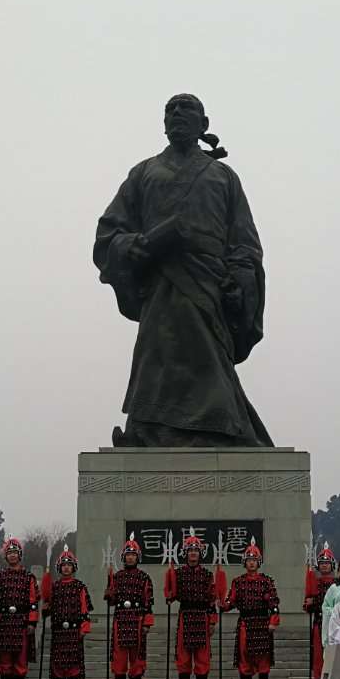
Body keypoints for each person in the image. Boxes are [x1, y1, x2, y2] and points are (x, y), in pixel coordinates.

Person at [94, 92, 270, 447]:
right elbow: (108, 234)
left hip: (209, 287)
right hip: (162, 286)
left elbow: (245, 241)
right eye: (170, 109)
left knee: (210, 360)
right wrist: (139, 245)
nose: (177, 113)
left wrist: (242, 277)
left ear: (204, 124)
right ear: (163, 124)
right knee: (158, 360)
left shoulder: (223, 177)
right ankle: (147, 432)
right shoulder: (143, 173)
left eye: (186, 108)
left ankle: (220, 431)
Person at [165, 532, 219, 679]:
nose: (193, 553)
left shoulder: (207, 575)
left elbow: (212, 598)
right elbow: (172, 595)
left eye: (196, 551)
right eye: (190, 551)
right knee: (183, 657)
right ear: (186, 553)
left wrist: (213, 621)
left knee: (202, 656)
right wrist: (169, 596)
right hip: (186, 616)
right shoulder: (178, 573)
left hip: (202, 616)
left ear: (200, 553)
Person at [223, 541, 280, 679]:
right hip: (245, 623)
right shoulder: (238, 582)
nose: (252, 563)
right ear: (245, 562)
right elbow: (231, 602)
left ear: (258, 562)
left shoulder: (267, 581)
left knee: (263, 659)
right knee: (244, 655)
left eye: (254, 560)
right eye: (249, 560)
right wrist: (222, 604)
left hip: (262, 623)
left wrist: (273, 622)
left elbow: (274, 604)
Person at [0, 537, 39, 679]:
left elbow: (33, 601)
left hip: (22, 621)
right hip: (4, 621)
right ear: (5, 556)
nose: (12, 555)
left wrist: (32, 623)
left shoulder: (28, 577)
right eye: (9, 553)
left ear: (20, 555)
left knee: (21, 658)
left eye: (15, 552)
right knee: (4, 657)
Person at [106, 535, 154, 679]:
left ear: (137, 557)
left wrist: (147, 622)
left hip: (137, 619)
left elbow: (148, 601)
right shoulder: (117, 577)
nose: (130, 558)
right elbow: (112, 602)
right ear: (123, 557)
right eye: (128, 555)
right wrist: (109, 595)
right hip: (120, 619)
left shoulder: (144, 577)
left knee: (137, 658)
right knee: (119, 658)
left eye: (133, 555)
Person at [43, 546, 92, 679]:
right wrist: (45, 609)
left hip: (74, 631)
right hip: (58, 632)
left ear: (73, 567)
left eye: (69, 565)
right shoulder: (54, 587)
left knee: (73, 667)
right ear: (59, 567)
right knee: (58, 667)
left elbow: (84, 609)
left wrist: (84, 628)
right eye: (63, 565)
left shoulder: (79, 586)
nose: (66, 568)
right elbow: (48, 607)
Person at [302, 543, 337, 679]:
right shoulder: (314, 582)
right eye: (322, 563)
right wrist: (309, 603)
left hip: (335, 624)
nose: (324, 565)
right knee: (318, 653)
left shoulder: (338, 584)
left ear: (332, 565)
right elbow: (308, 606)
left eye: (327, 563)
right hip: (319, 622)